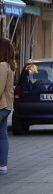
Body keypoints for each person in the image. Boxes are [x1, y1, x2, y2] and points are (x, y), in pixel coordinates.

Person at [0, 38, 16, 175]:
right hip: (7, 106)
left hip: (1, 105)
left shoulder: (2, 66)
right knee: (3, 136)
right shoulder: (11, 65)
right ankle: (3, 165)